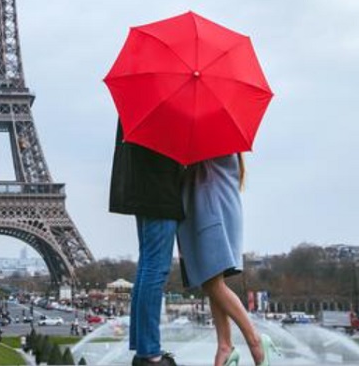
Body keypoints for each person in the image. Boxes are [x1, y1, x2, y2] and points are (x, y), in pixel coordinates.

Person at [176, 154, 277, 366]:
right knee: (213, 281)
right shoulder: (223, 145)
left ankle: (255, 340)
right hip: (218, 208)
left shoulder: (208, 143)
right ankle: (224, 345)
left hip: (212, 212)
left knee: (212, 284)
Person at [109, 121, 186, 366]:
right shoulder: (167, 101)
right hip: (159, 190)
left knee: (147, 267)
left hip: (142, 188)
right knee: (155, 269)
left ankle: (144, 348)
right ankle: (150, 352)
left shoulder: (141, 98)